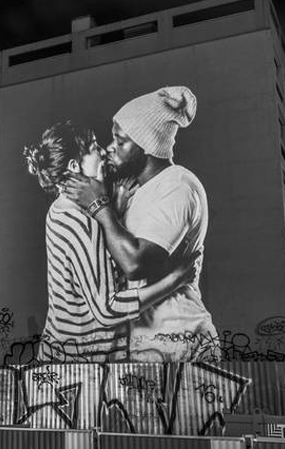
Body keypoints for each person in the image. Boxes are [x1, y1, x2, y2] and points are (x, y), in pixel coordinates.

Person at [63, 86, 220, 362]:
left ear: (146, 146)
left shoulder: (177, 186)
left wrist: (99, 206)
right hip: (148, 344)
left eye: (121, 141)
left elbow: (135, 264)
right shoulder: (139, 190)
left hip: (180, 341)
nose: (110, 148)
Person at [23, 120, 199, 362]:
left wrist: (113, 209)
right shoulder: (78, 220)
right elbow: (107, 310)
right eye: (94, 147)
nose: (103, 151)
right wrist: (175, 280)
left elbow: (94, 270)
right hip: (82, 365)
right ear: (75, 165)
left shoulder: (62, 210)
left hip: (74, 360)